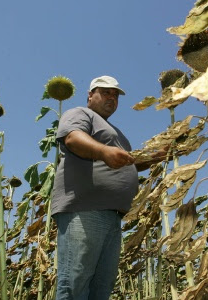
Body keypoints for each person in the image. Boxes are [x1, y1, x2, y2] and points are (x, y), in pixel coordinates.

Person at [51, 75, 161, 299]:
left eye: (115, 95)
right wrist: (103, 151)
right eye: (106, 92)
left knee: (102, 286)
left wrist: (154, 158)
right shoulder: (80, 114)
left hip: (113, 216)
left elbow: (128, 163)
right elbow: (73, 138)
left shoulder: (116, 133)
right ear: (91, 95)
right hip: (84, 209)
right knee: (75, 281)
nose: (112, 98)